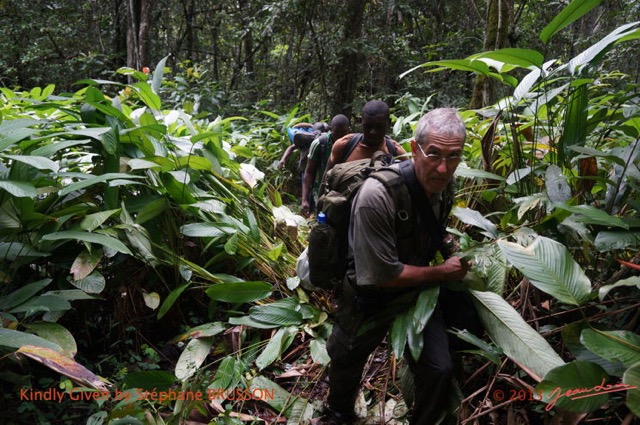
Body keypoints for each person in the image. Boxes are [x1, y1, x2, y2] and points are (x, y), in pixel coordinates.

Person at [325, 108, 475, 424]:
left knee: (439, 369)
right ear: (414, 148)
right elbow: (382, 275)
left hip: (414, 292)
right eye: (434, 154)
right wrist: (443, 271)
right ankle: (337, 412)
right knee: (346, 361)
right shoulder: (376, 195)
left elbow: (434, 226)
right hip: (369, 295)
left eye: (454, 156)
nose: (443, 167)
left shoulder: (444, 182)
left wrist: (448, 247)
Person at [325, 100, 407, 173]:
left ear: (388, 124)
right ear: (361, 122)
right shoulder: (343, 145)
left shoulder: (397, 152)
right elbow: (326, 181)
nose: (373, 132)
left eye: (379, 126)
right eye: (368, 126)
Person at [300, 114, 350, 216]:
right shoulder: (319, 143)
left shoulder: (352, 143)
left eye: (343, 133)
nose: (340, 137)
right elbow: (309, 171)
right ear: (331, 130)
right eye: (337, 133)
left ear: (348, 131)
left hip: (342, 189)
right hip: (320, 189)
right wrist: (304, 199)